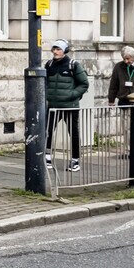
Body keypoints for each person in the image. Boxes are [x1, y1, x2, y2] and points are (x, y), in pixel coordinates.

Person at [44, 39, 89, 171]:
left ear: (65, 51)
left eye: (58, 49)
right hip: (53, 106)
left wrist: (71, 94)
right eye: (54, 49)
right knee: (47, 132)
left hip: (70, 106)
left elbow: (84, 84)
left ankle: (75, 160)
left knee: (73, 133)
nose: (55, 52)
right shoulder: (49, 64)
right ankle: (47, 157)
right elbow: (44, 82)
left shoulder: (73, 65)